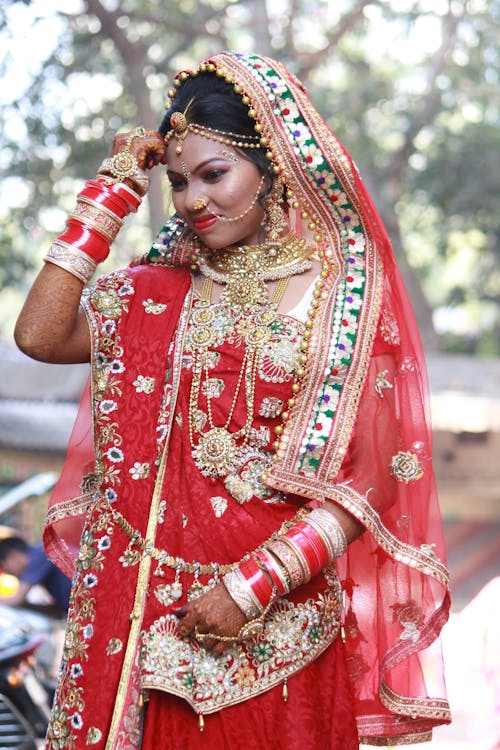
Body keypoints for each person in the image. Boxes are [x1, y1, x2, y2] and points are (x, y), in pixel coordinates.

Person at [14, 51, 451, 749]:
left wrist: (253, 586)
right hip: (136, 626)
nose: (193, 200)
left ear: (272, 166)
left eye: (215, 175)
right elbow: (38, 334)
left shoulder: (339, 301)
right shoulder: (154, 293)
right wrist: (114, 188)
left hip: (272, 632)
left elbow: (370, 475)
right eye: (180, 181)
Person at [0, 536, 71, 614]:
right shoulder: (40, 565)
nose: (10, 574)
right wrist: (27, 606)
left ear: (12, 556)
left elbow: (16, 599)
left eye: (6, 569)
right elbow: (58, 611)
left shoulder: (39, 556)